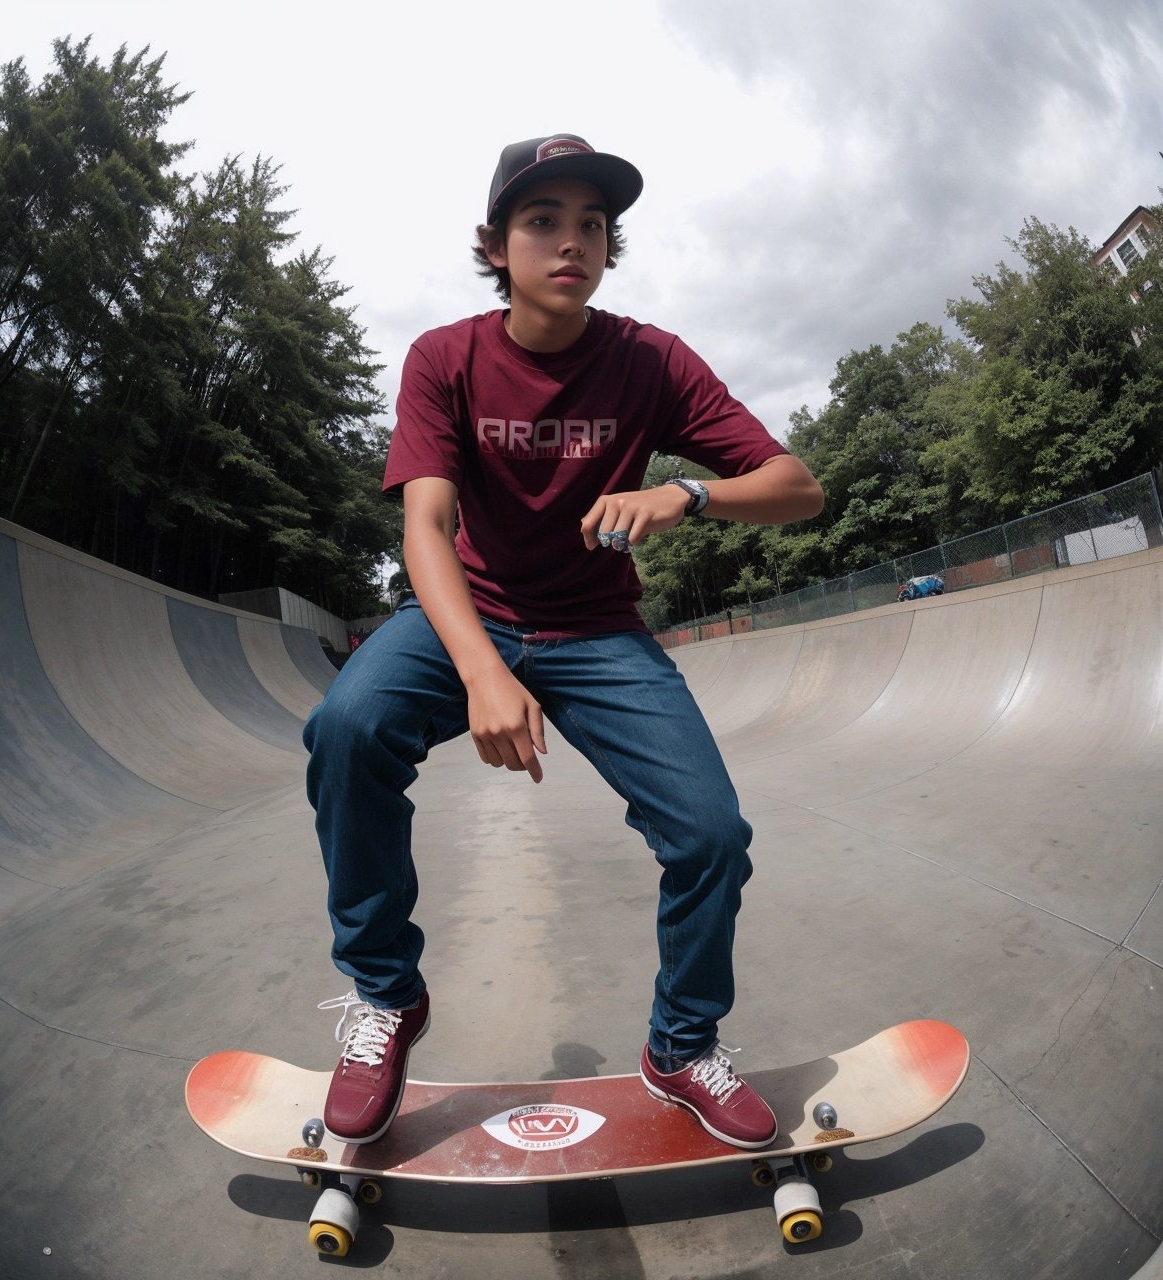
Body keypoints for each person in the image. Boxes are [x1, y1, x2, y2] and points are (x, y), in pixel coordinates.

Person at [303, 134, 824, 1150]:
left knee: (711, 834)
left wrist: (684, 492)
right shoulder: (444, 358)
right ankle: (384, 996)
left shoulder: (647, 360)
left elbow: (798, 488)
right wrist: (482, 668)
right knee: (347, 726)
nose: (570, 240)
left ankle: (679, 1044)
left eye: (591, 223)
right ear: (497, 244)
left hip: (596, 628)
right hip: (471, 609)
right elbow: (424, 528)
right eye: (543, 220)